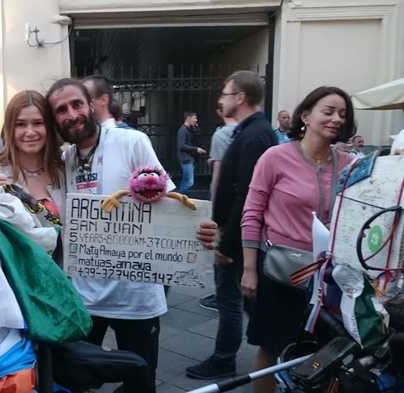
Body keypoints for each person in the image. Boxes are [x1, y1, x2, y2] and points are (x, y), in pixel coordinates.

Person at [46, 77, 218, 393]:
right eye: (61, 110)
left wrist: (198, 230)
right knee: (75, 382)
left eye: (76, 104)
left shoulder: (131, 142)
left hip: (136, 298)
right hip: (85, 298)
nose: (71, 114)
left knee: (140, 382)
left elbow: (168, 200)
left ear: (91, 104)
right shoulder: (64, 161)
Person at [241, 86, 355, 393]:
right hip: (281, 271)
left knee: (326, 351)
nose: (336, 119)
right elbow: (252, 213)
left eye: (342, 114)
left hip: (330, 278)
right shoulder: (275, 157)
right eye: (328, 111)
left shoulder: (349, 164)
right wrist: (249, 268)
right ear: (305, 115)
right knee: (271, 348)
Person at [186, 70, 275, 380]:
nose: (220, 101)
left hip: (237, 237)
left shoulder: (254, 134)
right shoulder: (252, 131)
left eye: (225, 94)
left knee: (230, 300)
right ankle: (264, 344)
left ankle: (225, 358)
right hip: (237, 233)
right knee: (239, 299)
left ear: (240, 98)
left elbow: (248, 194)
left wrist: (228, 243)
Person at [0, 90, 65, 214]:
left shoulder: (64, 170)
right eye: (21, 124)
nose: (30, 132)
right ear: (10, 128)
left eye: (38, 123)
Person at [197, 105, 238, 313]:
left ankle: (221, 297)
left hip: (225, 205)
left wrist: (213, 209)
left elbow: (218, 178)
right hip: (243, 205)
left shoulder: (222, 135)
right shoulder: (254, 131)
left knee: (220, 255)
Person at [176, 111, 206, 194]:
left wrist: (196, 128)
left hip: (190, 158)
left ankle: (181, 196)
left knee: (187, 180)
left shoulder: (190, 129)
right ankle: (180, 196)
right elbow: (181, 146)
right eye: (194, 118)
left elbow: (198, 137)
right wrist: (196, 149)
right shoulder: (182, 130)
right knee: (189, 181)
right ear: (188, 118)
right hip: (185, 159)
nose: (196, 120)